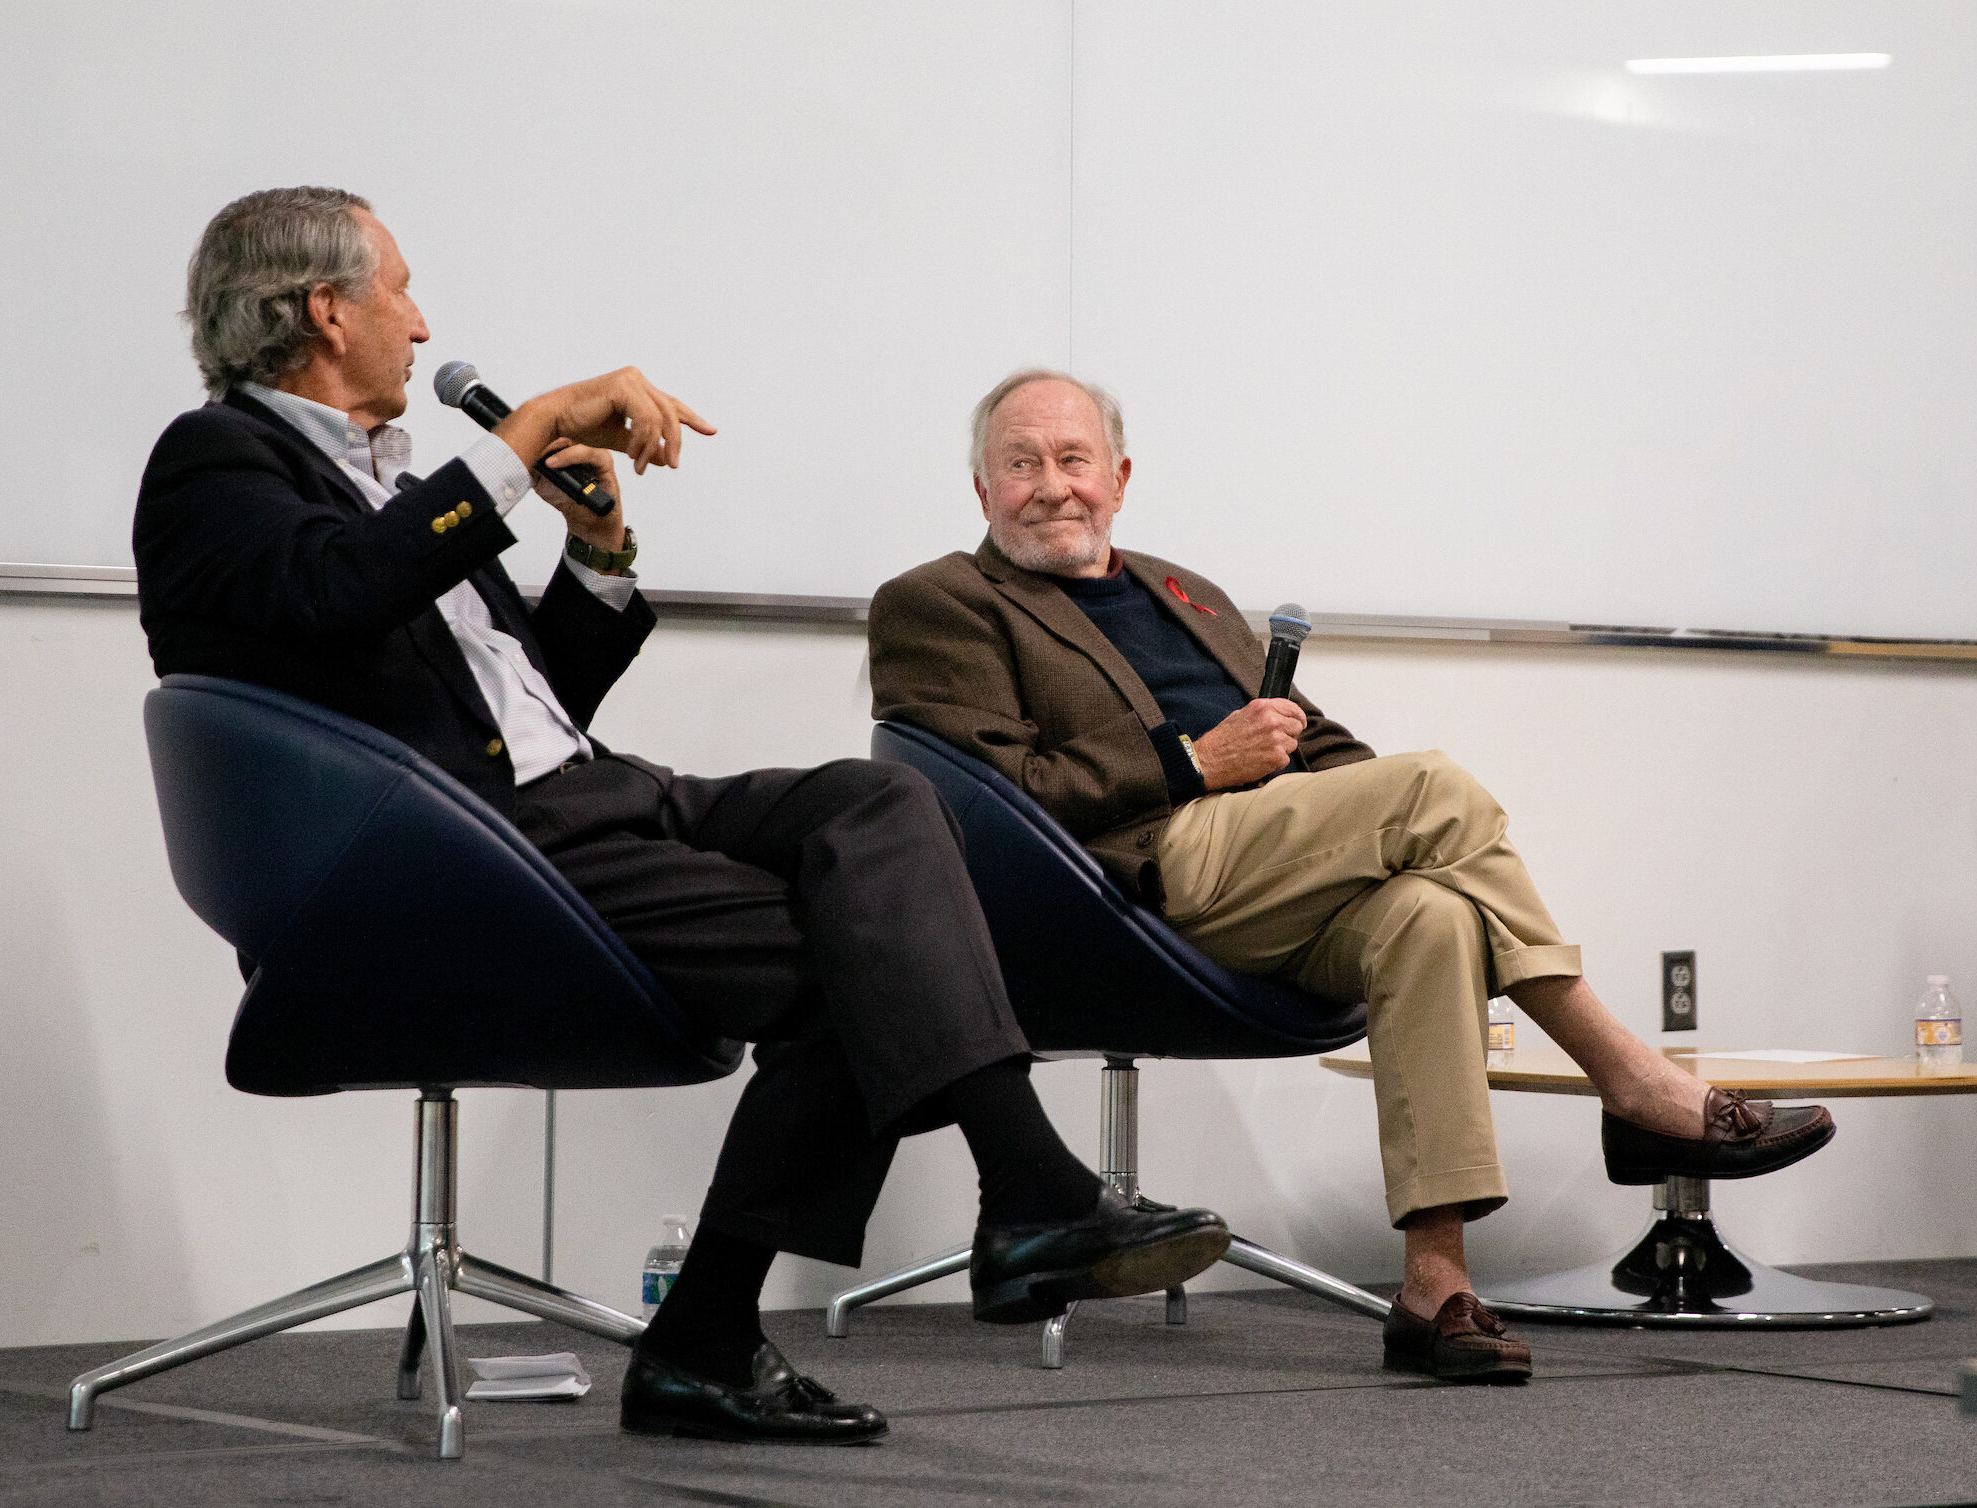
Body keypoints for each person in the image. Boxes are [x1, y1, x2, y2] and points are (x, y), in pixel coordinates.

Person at [135, 195, 1235, 1444]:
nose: (422, 318)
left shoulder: (394, 484)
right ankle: (921, 1240)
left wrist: (597, 551)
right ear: (327, 310)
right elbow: (338, 597)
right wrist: (519, 441)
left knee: (879, 803)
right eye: (399, 289)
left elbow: (521, 699)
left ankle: (995, 1211)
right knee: (854, 955)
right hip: (454, 852)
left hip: (580, 800)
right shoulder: (215, 461)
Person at [867, 369, 1837, 1384]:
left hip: (1263, 868)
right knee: (1435, 789)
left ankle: (1432, 1282)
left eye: (1073, 460)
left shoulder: (1180, 589)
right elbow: (989, 793)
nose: (1052, 486)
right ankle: (1634, 1082)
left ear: (1118, 476)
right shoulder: (941, 601)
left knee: (1428, 913)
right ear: (981, 487)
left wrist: (1358, 815)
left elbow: (1321, 742)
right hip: (1128, 877)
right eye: (1021, 463)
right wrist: (1198, 761)